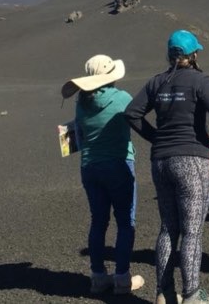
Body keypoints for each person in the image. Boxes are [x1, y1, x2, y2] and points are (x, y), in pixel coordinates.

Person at [125, 30, 209, 304]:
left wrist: (156, 137)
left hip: (160, 161)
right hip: (191, 161)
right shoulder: (200, 80)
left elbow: (132, 113)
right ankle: (192, 295)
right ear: (193, 55)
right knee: (192, 231)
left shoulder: (156, 82)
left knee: (168, 228)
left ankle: (164, 293)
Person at [61, 55, 145, 295]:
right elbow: (136, 122)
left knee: (98, 221)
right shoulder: (122, 99)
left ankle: (98, 277)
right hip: (119, 165)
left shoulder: (81, 103)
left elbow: (81, 133)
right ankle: (121, 279)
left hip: (90, 168)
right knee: (125, 222)